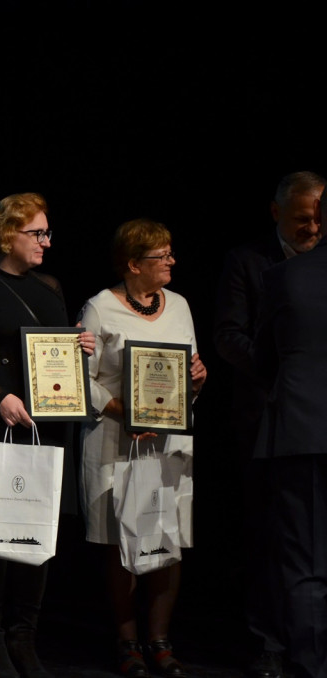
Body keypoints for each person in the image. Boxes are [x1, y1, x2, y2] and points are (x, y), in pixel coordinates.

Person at [79, 219, 207, 678]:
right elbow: (82, 380)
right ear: (133, 264)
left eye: (171, 253)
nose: (171, 261)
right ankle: (127, 642)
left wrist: (197, 380)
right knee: (122, 542)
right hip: (115, 440)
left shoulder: (180, 305)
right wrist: (121, 411)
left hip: (169, 441)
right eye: (161, 256)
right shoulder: (98, 308)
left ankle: (160, 641)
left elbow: (187, 369)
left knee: (166, 534)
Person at [0, 193, 94, 678]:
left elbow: (55, 354)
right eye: (37, 233)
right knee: (1, 532)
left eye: (47, 233)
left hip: (49, 426)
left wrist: (78, 344)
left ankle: (25, 637)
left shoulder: (50, 284)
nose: (46, 242)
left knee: (41, 532)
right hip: (4, 424)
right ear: (9, 235)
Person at [213, 171, 324, 678]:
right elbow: (231, 337)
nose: (312, 227)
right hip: (267, 419)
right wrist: (278, 371)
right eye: (302, 218)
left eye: (319, 218)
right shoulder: (250, 262)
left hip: (307, 417)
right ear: (276, 212)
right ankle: (270, 643)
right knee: (266, 536)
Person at [253, 201, 327, 678]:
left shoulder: (287, 275)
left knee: (306, 560)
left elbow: (264, 358)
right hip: (303, 430)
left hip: (303, 429)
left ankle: (311, 667)